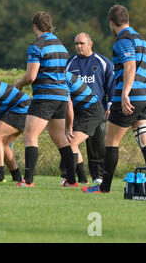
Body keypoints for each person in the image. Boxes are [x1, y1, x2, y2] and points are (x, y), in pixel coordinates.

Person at [82, 5, 146, 194]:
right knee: (145, 140)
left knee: (111, 141)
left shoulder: (122, 40)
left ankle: (104, 187)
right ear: (127, 20)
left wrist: (125, 93)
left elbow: (129, 66)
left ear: (111, 23)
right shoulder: (144, 41)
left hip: (130, 97)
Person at [15, 11, 76, 187]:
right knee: (60, 138)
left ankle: (28, 180)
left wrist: (20, 83)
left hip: (44, 97)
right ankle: (71, 181)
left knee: (30, 135)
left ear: (35, 26)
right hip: (61, 96)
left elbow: (31, 76)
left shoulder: (37, 46)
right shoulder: (61, 47)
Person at [64, 32, 115, 184]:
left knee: (97, 146)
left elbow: (112, 86)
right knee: (70, 142)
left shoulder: (102, 62)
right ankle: (69, 174)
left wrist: (110, 105)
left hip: (96, 110)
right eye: (76, 44)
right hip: (77, 111)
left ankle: (97, 176)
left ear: (90, 44)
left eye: (82, 43)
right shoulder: (70, 63)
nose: (79, 46)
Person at [62, 71, 105, 185]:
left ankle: (71, 180)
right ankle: (82, 180)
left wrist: (69, 128)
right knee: (72, 144)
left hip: (91, 111)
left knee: (71, 144)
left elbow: (68, 105)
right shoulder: (63, 75)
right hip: (87, 111)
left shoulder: (62, 78)